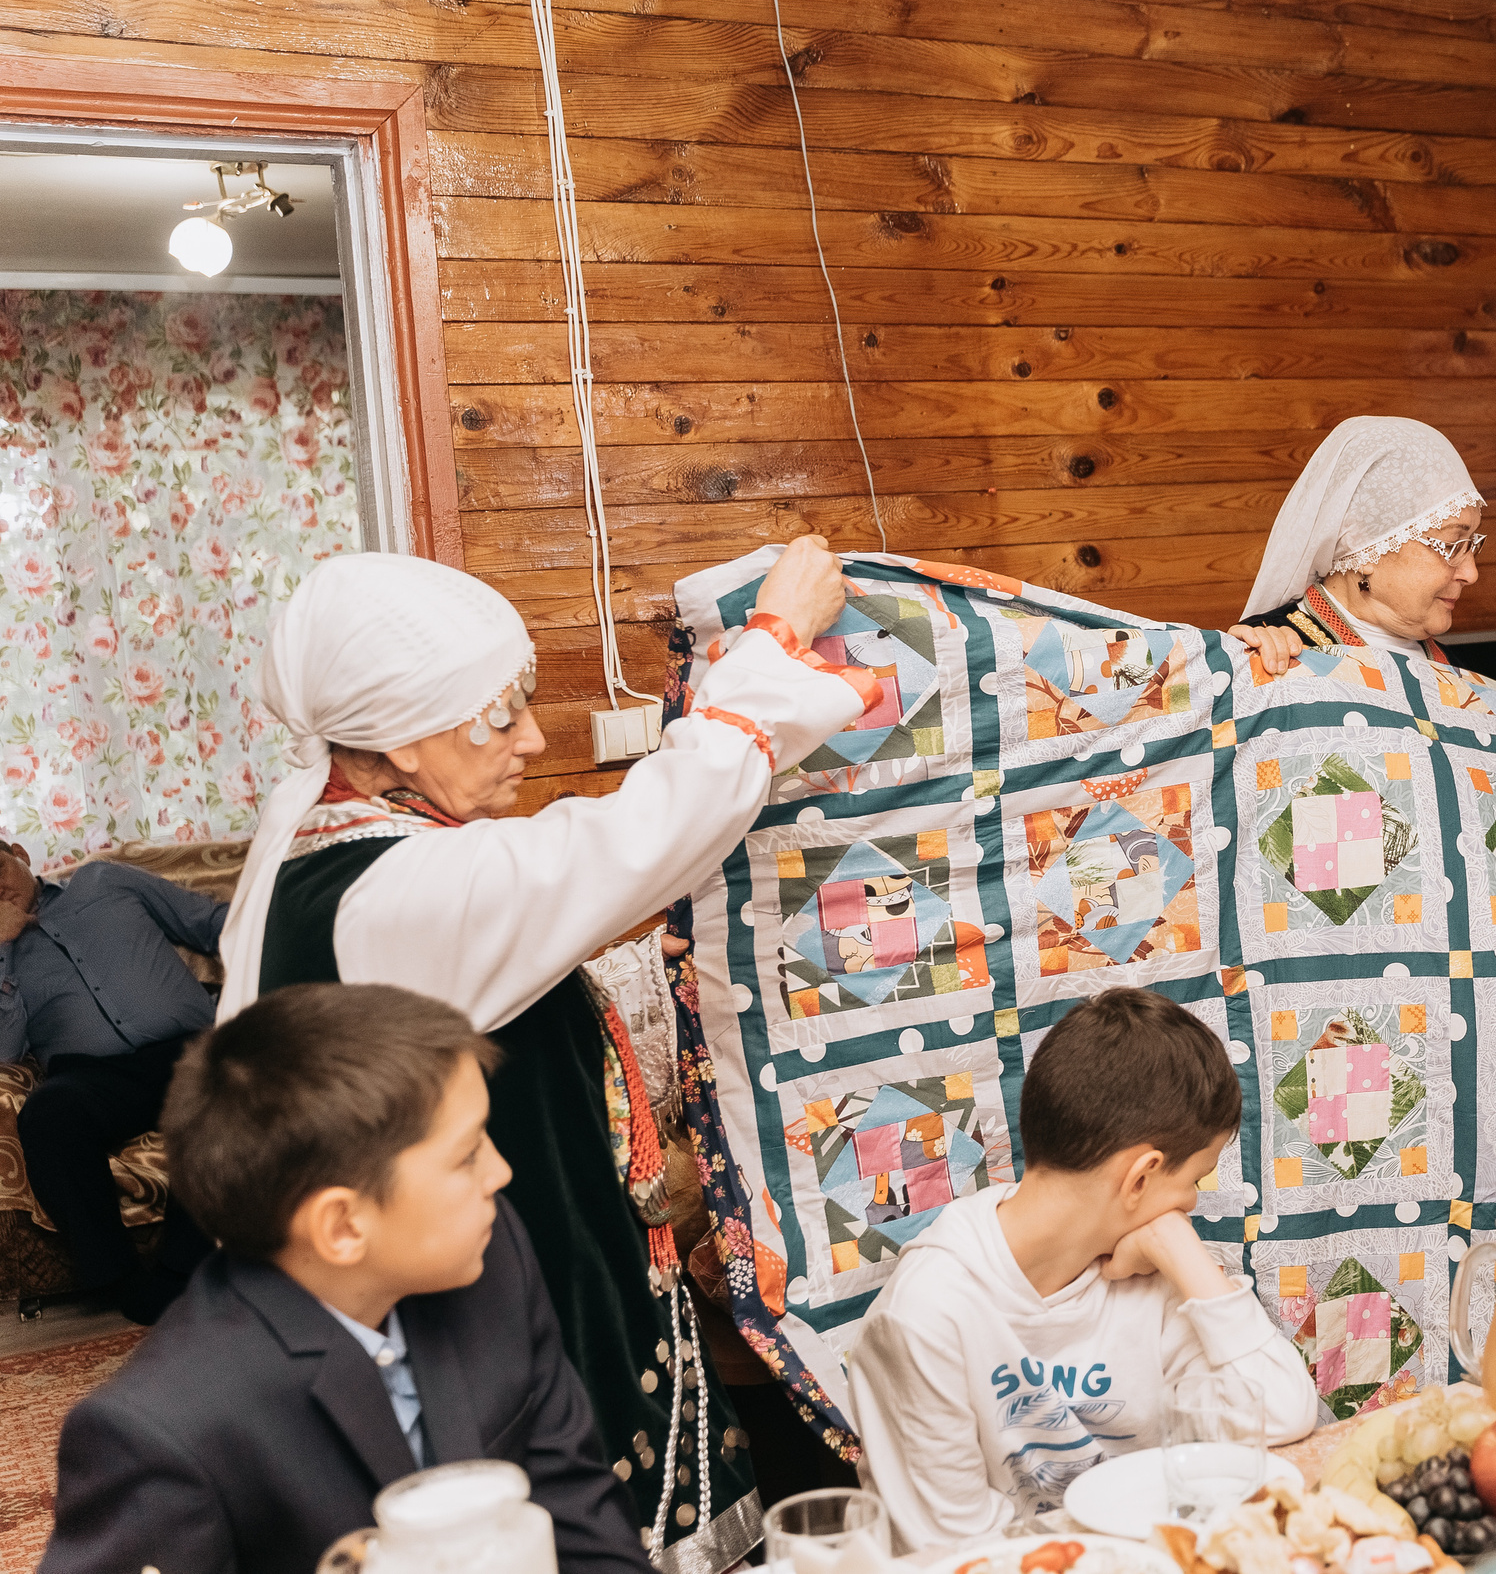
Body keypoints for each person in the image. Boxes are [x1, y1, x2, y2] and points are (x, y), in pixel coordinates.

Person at [217, 538, 877, 1569]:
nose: (530, 738)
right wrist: (775, 639)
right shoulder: (397, 890)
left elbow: (496, 985)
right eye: (495, 714)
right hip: (481, 1308)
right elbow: (646, 828)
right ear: (392, 747)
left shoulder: (335, 866)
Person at [43, 984, 651, 1574]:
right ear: (342, 1226)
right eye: (466, 1156)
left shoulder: (491, 1257)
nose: (501, 1172)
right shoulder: (164, 1434)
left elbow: (581, 1518)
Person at [844, 987, 1320, 1554]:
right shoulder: (925, 1317)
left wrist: (1184, 1254)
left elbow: (1287, 1414)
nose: (1191, 1206)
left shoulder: (1158, 1269)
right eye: (1195, 1179)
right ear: (1140, 1177)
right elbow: (957, 1548)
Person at [1230, 415, 1496, 760]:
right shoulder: (1272, 651)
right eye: (1452, 545)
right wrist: (1238, 667)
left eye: (1472, 545)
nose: (1471, 573)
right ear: (1367, 546)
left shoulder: (1452, 672)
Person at [0, 836, 223, 1321]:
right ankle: (122, 1283)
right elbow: (5, 1050)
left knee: (233, 1093)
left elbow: (213, 924)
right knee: (47, 1117)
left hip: (190, 1051)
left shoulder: (104, 880)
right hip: (93, 1079)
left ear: (18, 854)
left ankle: (179, 1273)